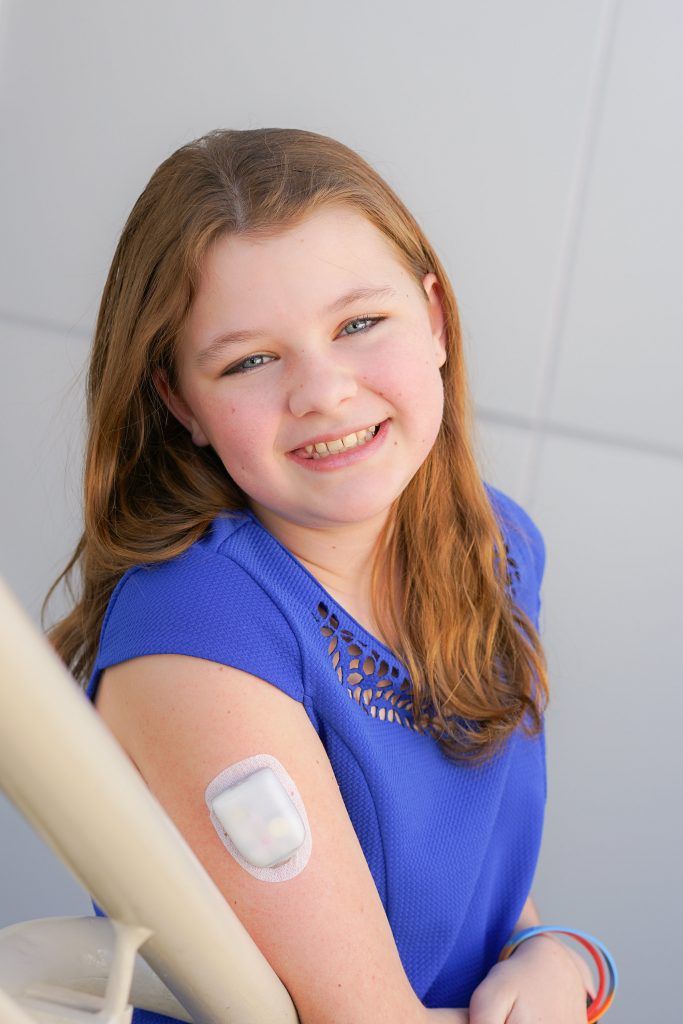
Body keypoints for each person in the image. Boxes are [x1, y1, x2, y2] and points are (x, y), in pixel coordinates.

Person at [43, 127, 596, 1023]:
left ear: (436, 321)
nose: (323, 391)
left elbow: (460, 877)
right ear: (180, 401)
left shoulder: (494, 544)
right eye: (250, 360)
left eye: (359, 323)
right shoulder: (199, 628)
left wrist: (552, 953)